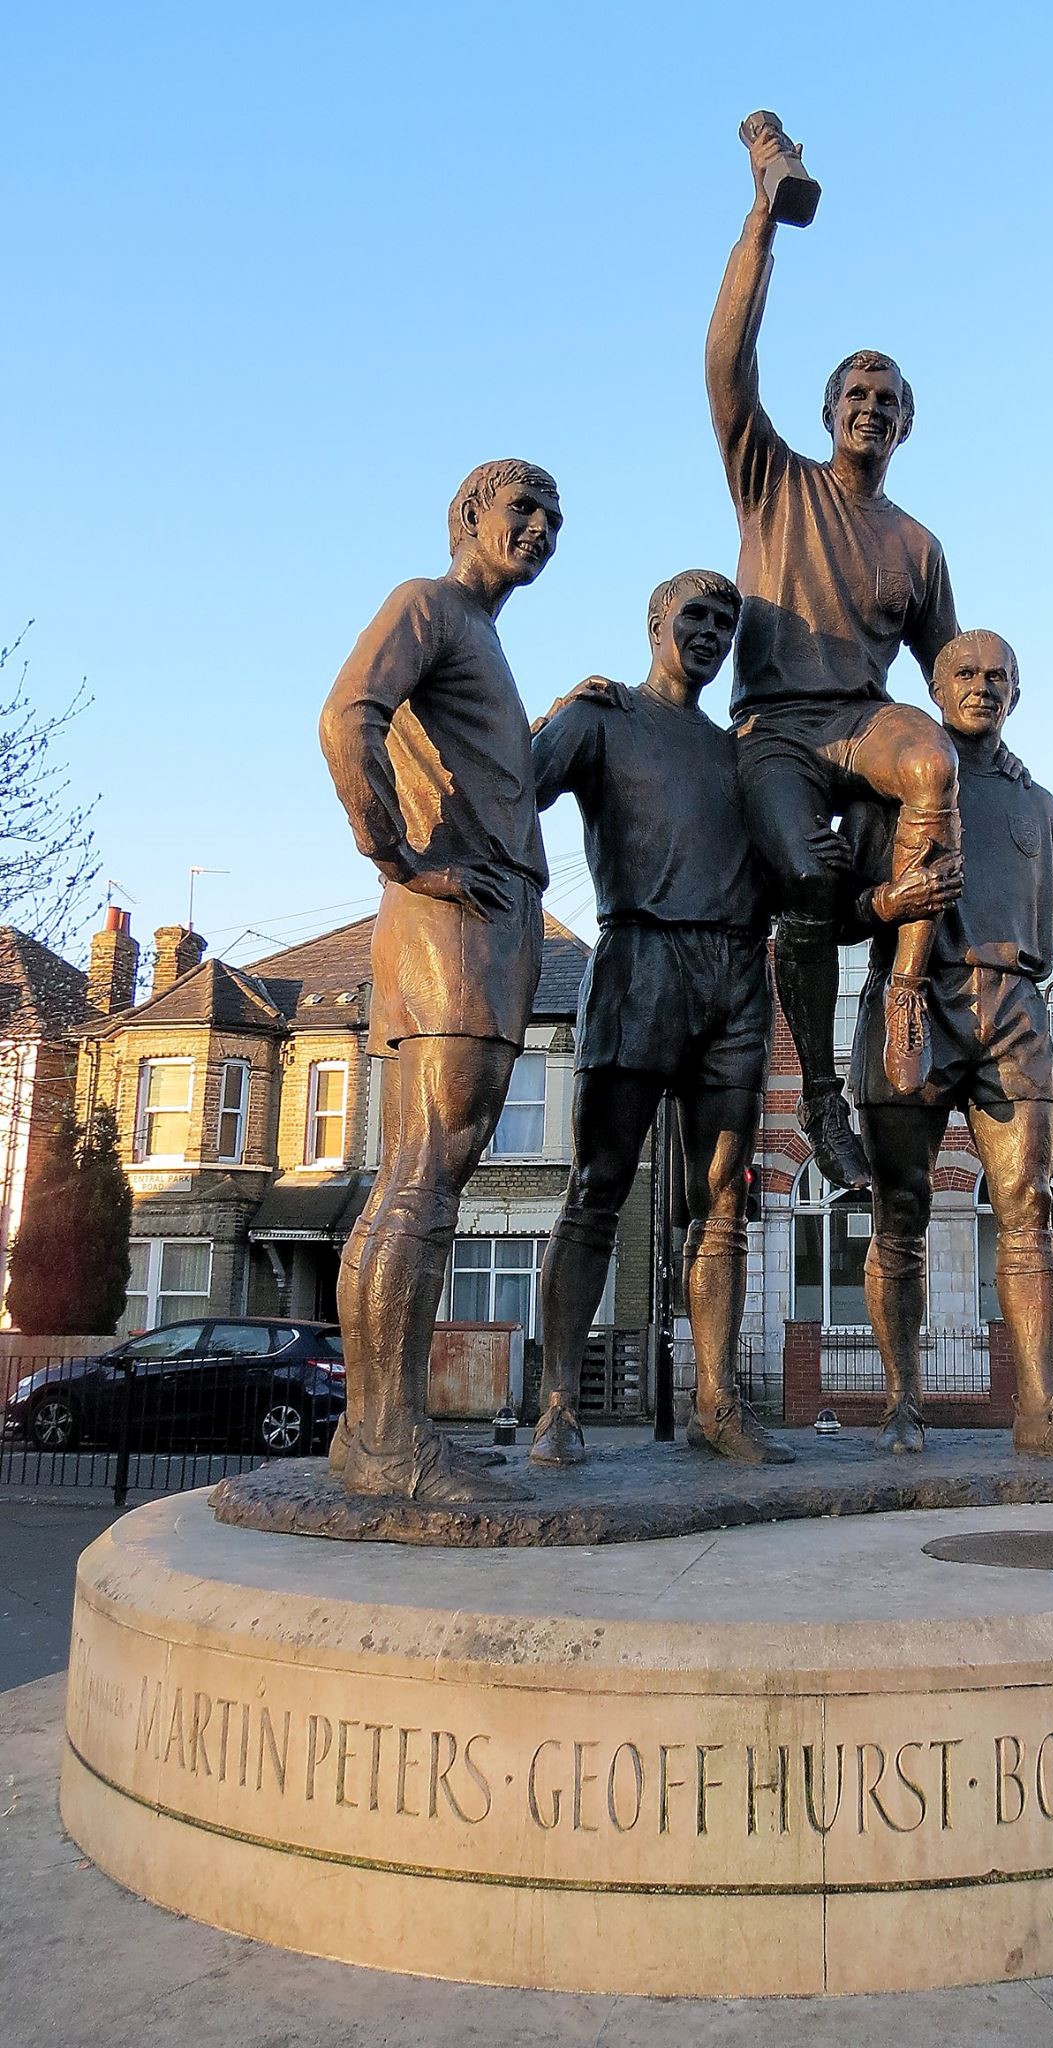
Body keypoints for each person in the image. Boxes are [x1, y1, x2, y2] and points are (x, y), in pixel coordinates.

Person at [706, 113, 976, 1192]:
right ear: (825, 413)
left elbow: (952, 678)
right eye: (853, 395)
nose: (869, 409)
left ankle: (901, 996)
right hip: (774, 726)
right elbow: (726, 356)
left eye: (888, 401)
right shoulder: (772, 479)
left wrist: (995, 766)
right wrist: (762, 218)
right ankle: (819, 1092)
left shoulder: (915, 542)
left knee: (932, 763)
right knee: (806, 875)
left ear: (906, 425)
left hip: (859, 724)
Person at [852, 630, 1053, 1459]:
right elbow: (833, 905)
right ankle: (900, 1402)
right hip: (913, 1002)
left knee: (1028, 1210)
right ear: (934, 687)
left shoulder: (1039, 806)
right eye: (965, 673)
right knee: (901, 1213)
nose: (982, 687)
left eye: (999, 677)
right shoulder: (891, 789)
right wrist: (890, 899)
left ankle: (1039, 1411)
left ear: (1016, 696)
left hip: (1014, 1009)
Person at [319, 459, 561, 1500]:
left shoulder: (481, 637)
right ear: (468, 513)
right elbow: (346, 716)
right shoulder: (430, 605)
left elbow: (493, 773)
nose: (542, 527)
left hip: (481, 918)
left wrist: (555, 717)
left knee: (417, 1179)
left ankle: (373, 1433)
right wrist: (396, 857)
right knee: (423, 1182)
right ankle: (385, 1440)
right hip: (455, 919)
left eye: (554, 517)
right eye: (523, 508)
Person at [529, 570, 792, 1467]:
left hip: (733, 977)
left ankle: (716, 1403)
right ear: (655, 623)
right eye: (696, 616)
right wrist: (552, 709)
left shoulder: (740, 752)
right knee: (597, 1189)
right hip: (640, 961)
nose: (711, 632)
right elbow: (516, 785)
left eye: (725, 621)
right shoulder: (604, 717)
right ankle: (558, 1406)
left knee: (722, 1204)